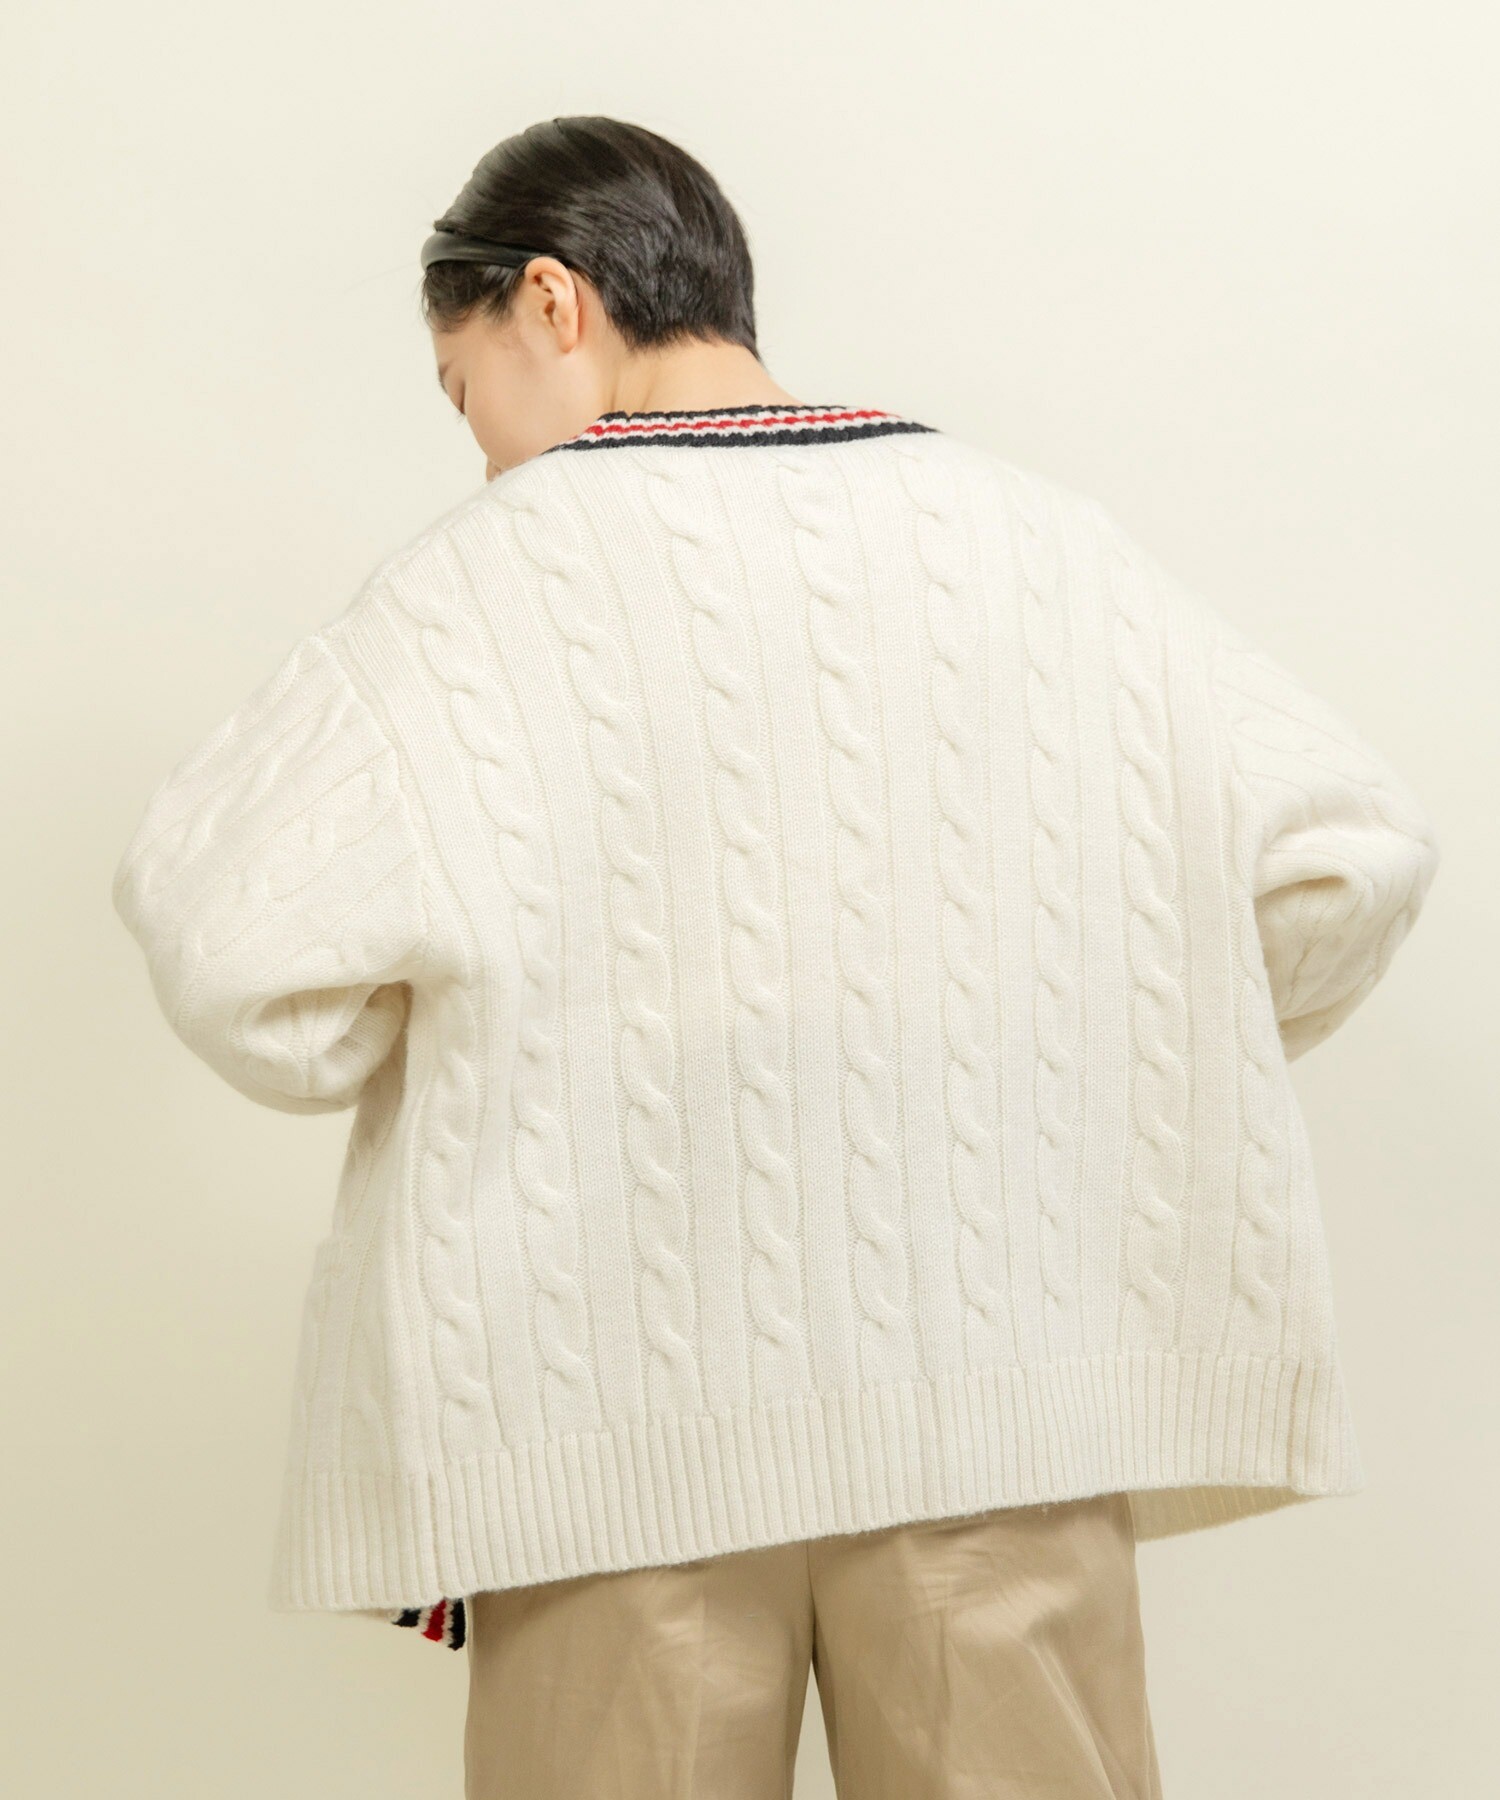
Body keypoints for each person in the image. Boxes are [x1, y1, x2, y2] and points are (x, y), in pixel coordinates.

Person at [110, 115, 1441, 1799]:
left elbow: (231, 947)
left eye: (466, 394)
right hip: (1005, 1406)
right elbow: (1353, 856)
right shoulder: (1044, 543)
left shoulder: (480, 587)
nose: (490, 454)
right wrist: (1114, 1020)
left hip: (607, 1444)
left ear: (550, 302)